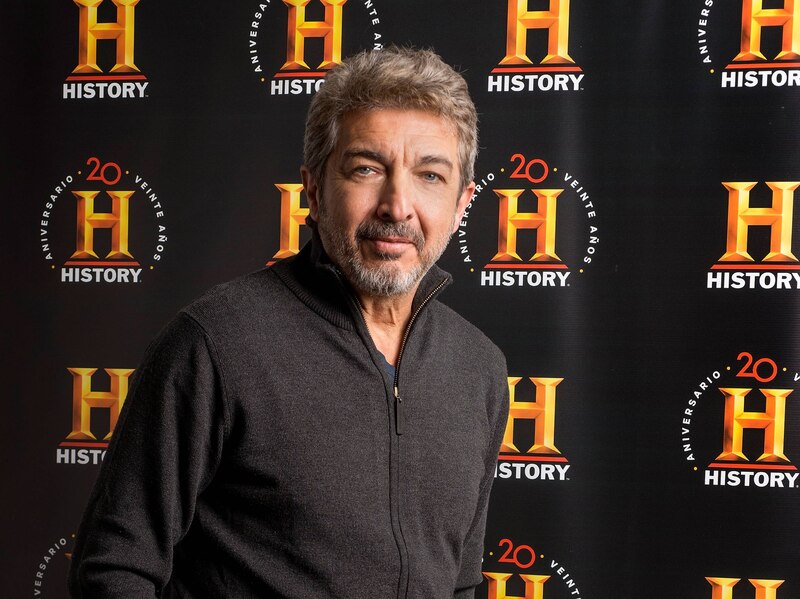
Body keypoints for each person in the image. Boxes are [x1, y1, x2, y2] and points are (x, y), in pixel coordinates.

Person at [69, 46, 509, 598]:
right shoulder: (216, 343)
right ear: (314, 188)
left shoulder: (479, 369)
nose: (397, 206)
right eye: (367, 168)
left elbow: (461, 583)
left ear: (463, 202)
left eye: (430, 176)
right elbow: (114, 568)